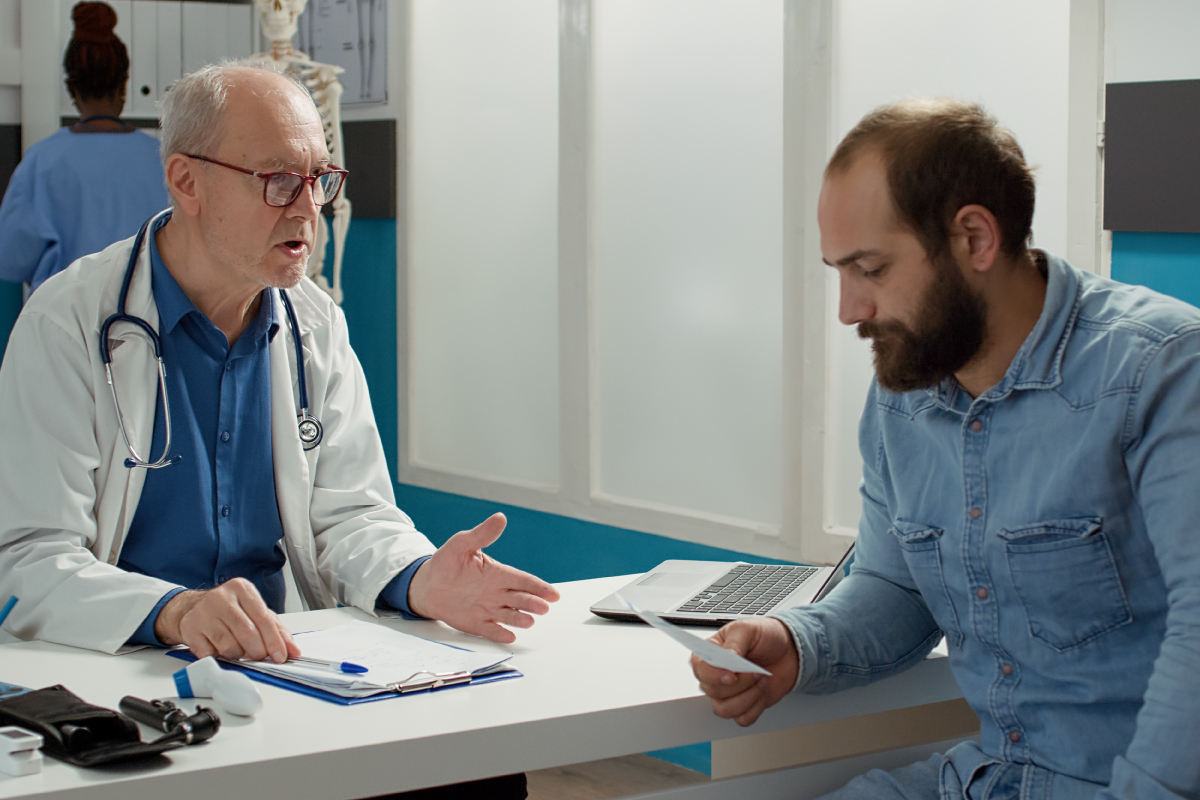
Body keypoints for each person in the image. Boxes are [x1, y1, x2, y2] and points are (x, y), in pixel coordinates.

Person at [0, 62, 554, 797]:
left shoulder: (314, 324)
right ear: (186, 182)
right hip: (126, 677)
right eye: (278, 180)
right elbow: (29, 559)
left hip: (282, 669)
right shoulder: (70, 324)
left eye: (321, 179)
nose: (307, 209)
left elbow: (352, 515)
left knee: (477, 772)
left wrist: (419, 578)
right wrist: (174, 610)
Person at [692, 98, 1200, 799]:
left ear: (974, 239)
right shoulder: (907, 393)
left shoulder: (1162, 370)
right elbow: (895, 585)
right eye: (837, 271)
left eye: (869, 269)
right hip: (984, 779)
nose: (849, 310)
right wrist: (796, 641)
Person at [0, 2, 170, 292]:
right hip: (148, 324)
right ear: (124, 86)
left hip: (61, 324)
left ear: (72, 90)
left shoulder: (41, 161)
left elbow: (13, 260)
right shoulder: (166, 160)